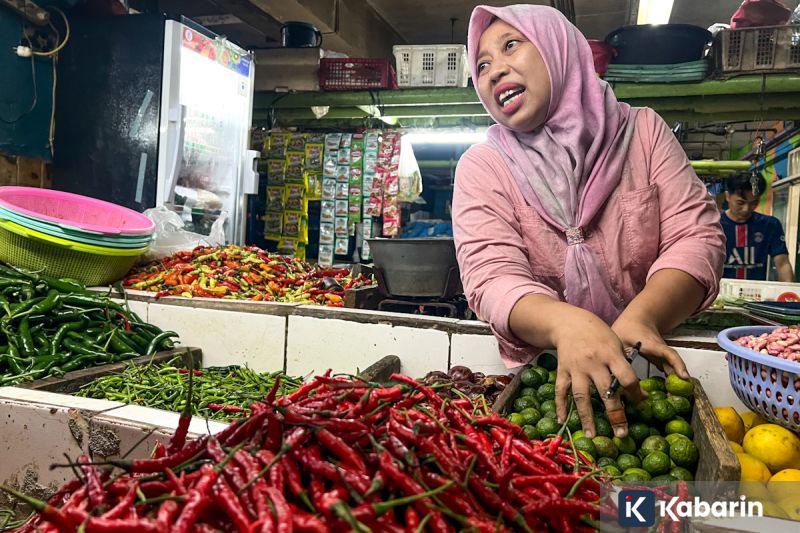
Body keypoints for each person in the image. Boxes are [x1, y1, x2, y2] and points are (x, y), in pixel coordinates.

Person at [452, 4, 726, 439]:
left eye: (510, 46)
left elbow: (696, 237)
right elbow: (490, 275)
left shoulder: (644, 133)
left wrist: (644, 316)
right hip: (549, 387)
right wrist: (566, 324)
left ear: (557, 50)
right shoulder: (483, 167)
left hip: (656, 373)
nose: (493, 71)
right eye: (481, 64)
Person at [721, 171, 794, 282]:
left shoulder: (770, 225)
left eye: (754, 203)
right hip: (720, 292)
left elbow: (783, 264)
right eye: (740, 203)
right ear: (727, 196)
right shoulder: (714, 225)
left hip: (757, 293)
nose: (746, 209)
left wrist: (789, 294)